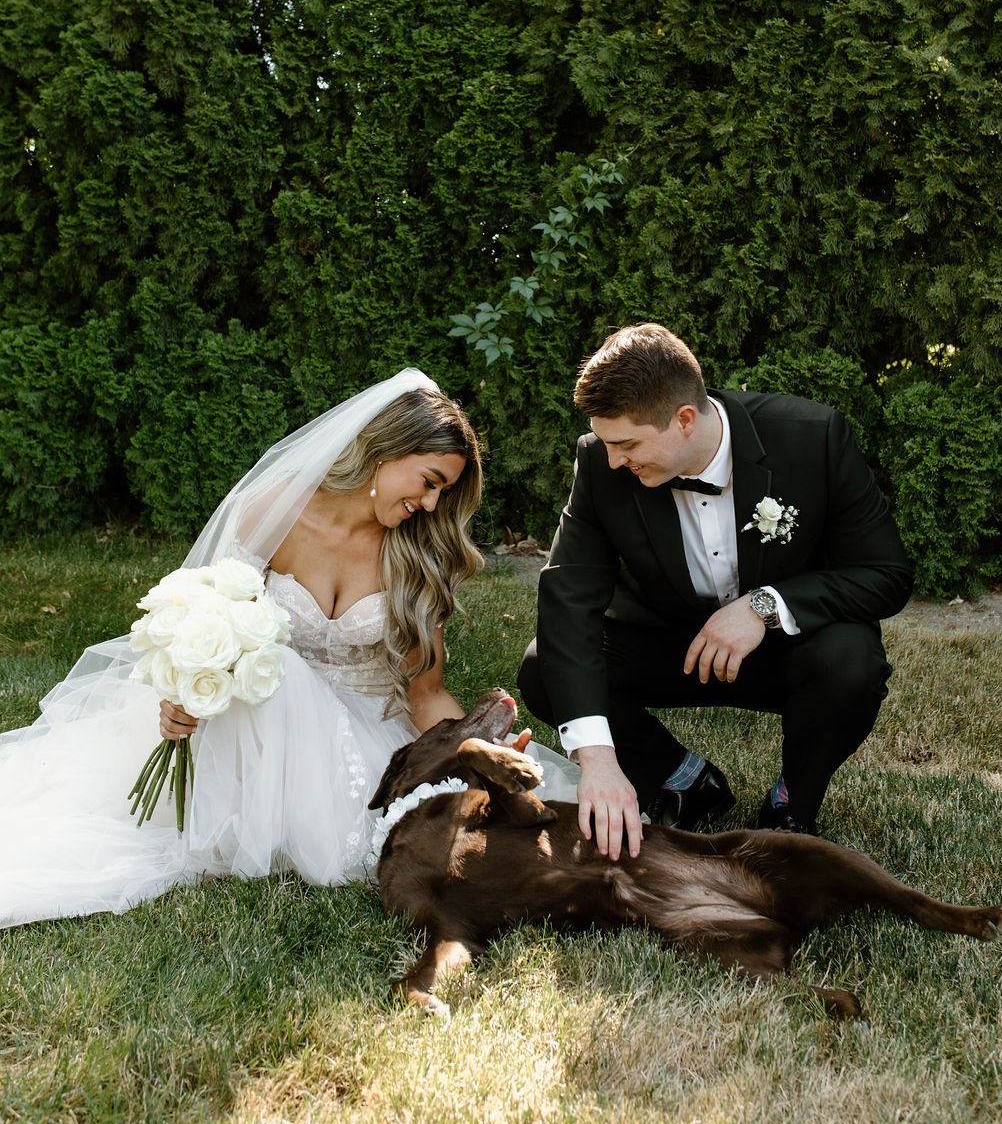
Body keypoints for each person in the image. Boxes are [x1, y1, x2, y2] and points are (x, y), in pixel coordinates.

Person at [0, 369, 576, 928]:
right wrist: (185, 691)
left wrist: (474, 748)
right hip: (251, 731)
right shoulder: (275, 511)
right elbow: (208, 616)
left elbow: (425, 695)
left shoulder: (416, 555)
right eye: (427, 481)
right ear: (387, 449)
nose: (430, 504)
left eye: (442, 492)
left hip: (359, 735)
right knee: (277, 673)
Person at [517, 324, 913, 860]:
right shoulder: (599, 462)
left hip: (781, 651)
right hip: (664, 643)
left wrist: (764, 606)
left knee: (853, 659)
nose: (614, 460)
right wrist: (599, 760)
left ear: (684, 420)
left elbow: (885, 573)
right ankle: (683, 780)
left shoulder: (813, 437)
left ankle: (790, 805)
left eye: (627, 444)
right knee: (545, 666)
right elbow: (568, 599)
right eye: (607, 444)